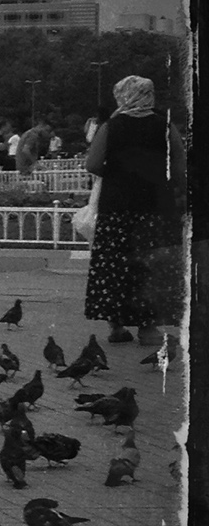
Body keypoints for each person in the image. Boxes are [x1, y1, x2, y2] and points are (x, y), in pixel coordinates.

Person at [83, 74, 187, 345]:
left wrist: (118, 172)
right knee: (150, 265)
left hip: (116, 207)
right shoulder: (164, 126)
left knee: (115, 264)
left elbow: (92, 164)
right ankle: (148, 329)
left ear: (124, 96)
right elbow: (179, 167)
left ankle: (116, 326)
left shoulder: (112, 126)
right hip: (154, 208)